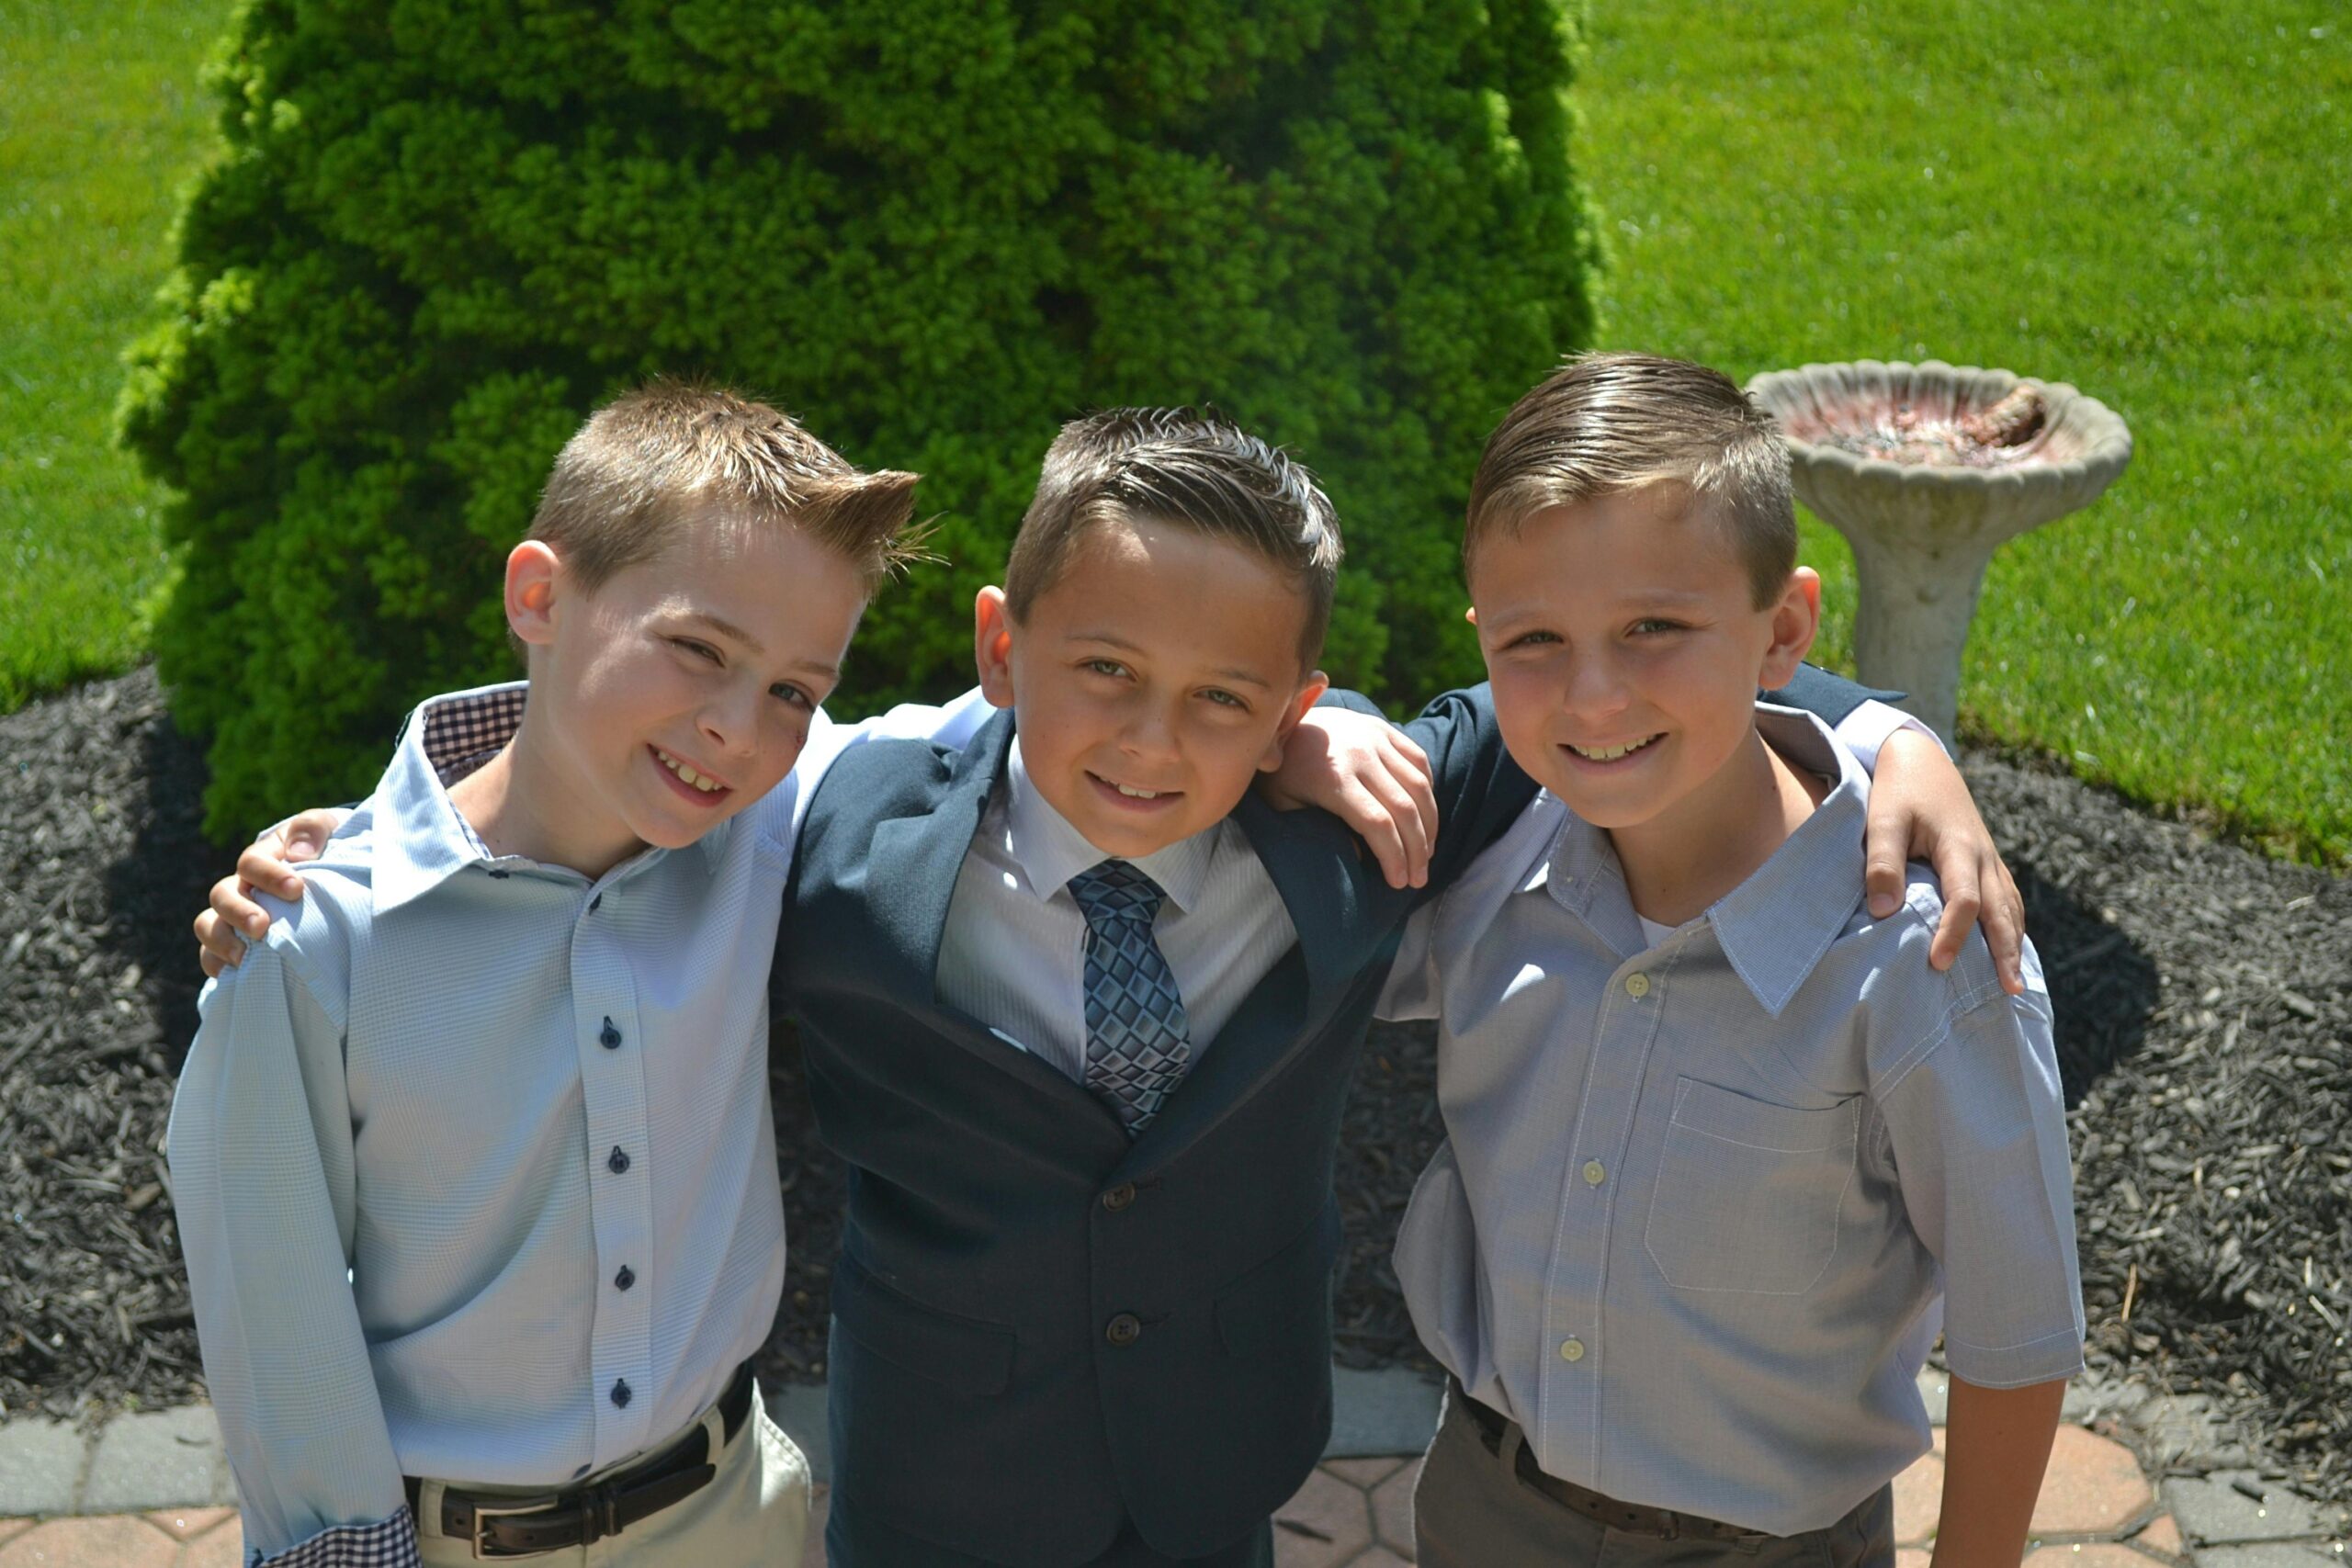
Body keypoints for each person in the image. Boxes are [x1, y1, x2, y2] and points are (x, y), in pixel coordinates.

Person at [198, 405, 2018, 1568]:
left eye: (1222, 700)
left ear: (1295, 705)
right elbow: (632, 750)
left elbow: (1629, 698)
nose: (1153, 742)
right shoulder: (831, 819)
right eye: (1103, 676)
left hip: (1220, 1474)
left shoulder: (1349, 827)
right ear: (1001, 651)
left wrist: (1891, 736)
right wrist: (359, 843)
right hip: (933, 1495)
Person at [169, 382, 956, 1568]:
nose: (741, 728)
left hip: (731, 1519)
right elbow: (275, 1328)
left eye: (795, 691)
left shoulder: (769, 821)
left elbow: (1004, 743)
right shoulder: (310, 939)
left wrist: (1274, 708)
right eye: (699, 649)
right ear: (539, 597)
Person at [1382, 355, 2083, 1568]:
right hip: (1483, 1511)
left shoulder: (1924, 956)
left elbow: (2015, 1330)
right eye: (1535, 639)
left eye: (1654, 629)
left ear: (1785, 630)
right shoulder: (1486, 865)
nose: (1594, 697)